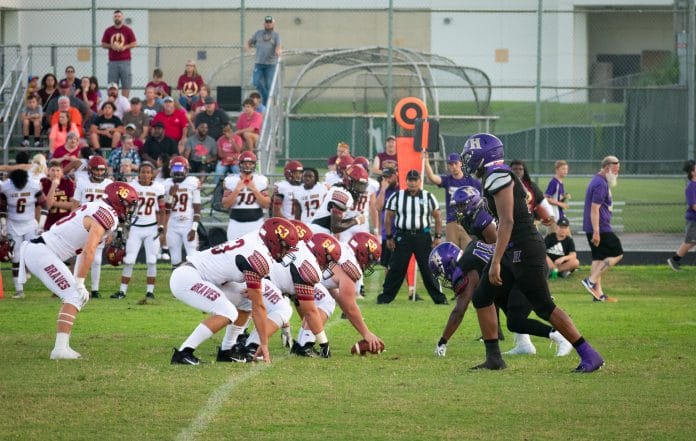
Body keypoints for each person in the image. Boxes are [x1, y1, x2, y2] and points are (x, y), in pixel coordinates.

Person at [461, 132, 604, 372]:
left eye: (472, 154)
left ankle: (589, 354)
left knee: (544, 306)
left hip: (525, 248)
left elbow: (508, 221)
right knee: (482, 296)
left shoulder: (497, 175)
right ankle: (494, 358)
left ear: (484, 155)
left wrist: (495, 261)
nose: (468, 159)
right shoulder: (495, 175)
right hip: (511, 248)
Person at [19, 181, 138, 359]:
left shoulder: (98, 207)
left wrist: (78, 279)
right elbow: (88, 250)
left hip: (42, 250)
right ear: (118, 201)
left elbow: (84, 253)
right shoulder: (107, 214)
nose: (129, 210)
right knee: (74, 294)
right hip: (42, 252)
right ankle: (59, 350)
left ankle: (63, 347)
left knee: (76, 294)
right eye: (128, 205)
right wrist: (80, 283)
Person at [169, 217, 299, 365]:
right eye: (285, 246)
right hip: (188, 276)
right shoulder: (259, 256)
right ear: (273, 241)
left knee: (246, 303)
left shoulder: (258, 239)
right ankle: (183, 353)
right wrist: (264, 344)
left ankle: (227, 350)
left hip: (207, 277)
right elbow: (259, 307)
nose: (286, 251)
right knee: (228, 312)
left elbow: (253, 301)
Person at [290, 230, 385, 356]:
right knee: (326, 302)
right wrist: (366, 333)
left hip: (296, 268)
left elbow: (331, 286)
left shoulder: (343, 249)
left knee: (325, 299)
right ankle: (305, 345)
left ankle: (301, 344)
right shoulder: (351, 265)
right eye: (370, 259)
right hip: (300, 273)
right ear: (362, 253)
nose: (369, 264)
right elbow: (349, 307)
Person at [377, 169, 448, 305]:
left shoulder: (428, 196)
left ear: (420, 181)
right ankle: (385, 297)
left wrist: (438, 236)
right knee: (397, 267)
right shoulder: (397, 196)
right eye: (410, 180)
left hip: (423, 235)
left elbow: (438, 216)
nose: (412, 183)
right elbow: (388, 217)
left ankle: (439, 298)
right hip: (403, 236)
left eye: (415, 180)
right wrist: (390, 237)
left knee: (428, 268)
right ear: (406, 181)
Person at [111, 162, 165, 301]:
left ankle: (150, 292)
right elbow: (123, 207)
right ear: (138, 173)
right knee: (129, 260)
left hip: (152, 227)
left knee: (152, 261)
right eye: (143, 172)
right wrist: (122, 227)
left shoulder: (158, 187)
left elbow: (162, 210)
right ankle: (122, 291)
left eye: (148, 172)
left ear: (152, 174)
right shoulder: (132, 186)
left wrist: (162, 226)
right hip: (135, 228)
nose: (145, 174)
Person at [0, 167, 47, 299]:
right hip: (13, 224)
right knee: (15, 257)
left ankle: (27, 269)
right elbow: (2, 208)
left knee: (35, 253)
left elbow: (45, 206)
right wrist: (3, 225)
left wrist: (41, 225)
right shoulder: (6, 187)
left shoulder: (33, 185)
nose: (20, 187)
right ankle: (19, 290)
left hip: (30, 224)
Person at [71, 156, 114, 299]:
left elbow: (113, 208)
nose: (99, 172)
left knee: (97, 260)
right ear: (90, 169)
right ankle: (75, 287)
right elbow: (75, 205)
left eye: (102, 169)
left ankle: (95, 289)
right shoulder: (82, 182)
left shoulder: (109, 184)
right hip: (83, 224)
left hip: (102, 225)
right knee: (80, 256)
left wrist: (111, 231)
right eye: (96, 169)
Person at [581, 156, 622, 303]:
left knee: (598, 259)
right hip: (601, 228)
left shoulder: (600, 181)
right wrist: (597, 231)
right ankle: (590, 281)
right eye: (615, 171)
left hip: (596, 227)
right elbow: (594, 208)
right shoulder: (600, 184)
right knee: (617, 253)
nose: (617, 174)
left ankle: (598, 294)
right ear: (607, 168)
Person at [424, 152, 480, 249]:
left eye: (455, 163)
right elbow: (432, 178)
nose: (453, 166)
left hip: (467, 222)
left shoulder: (472, 181)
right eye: (450, 164)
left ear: (460, 163)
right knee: (453, 253)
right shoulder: (448, 180)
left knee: (467, 253)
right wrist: (425, 161)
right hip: (452, 222)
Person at [221, 151, 270, 240]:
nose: (247, 166)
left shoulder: (261, 180)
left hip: (256, 223)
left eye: (250, 163)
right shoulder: (230, 180)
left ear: (254, 165)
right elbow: (226, 205)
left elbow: (266, 204)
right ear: (239, 164)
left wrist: (254, 190)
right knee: (233, 251)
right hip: (236, 223)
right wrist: (237, 190)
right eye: (245, 163)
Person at [163, 156, 201, 268]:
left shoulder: (192, 182)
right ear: (170, 170)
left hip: (188, 224)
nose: (178, 172)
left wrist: (194, 228)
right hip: (172, 225)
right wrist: (171, 196)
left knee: (193, 259)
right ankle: (177, 284)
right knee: (175, 260)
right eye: (175, 169)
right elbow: (166, 210)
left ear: (187, 170)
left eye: (180, 169)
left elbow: (197, 207)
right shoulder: (166, 184)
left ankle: (194, 283)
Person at [310, 165, 368, 236]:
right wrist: (356, 221)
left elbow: (334, 222)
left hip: (321, 230)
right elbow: (336, 227)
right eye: (358, 185)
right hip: (319, 231)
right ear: (348, 181)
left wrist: (354, 219)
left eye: (362, 186)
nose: (360, 189)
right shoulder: (343, 194)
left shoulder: (340, 188)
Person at [668, 160, 696, 270]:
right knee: (689, 242)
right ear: (692, 172)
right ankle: (674, 260)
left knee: (692, 242)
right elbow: (693, 205)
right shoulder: (691, 187)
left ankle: (675, 260)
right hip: (693, 220)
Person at [510, 159, 555, 229]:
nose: (517, 171)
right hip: (511, 224)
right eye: (514, 169)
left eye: (520, 169)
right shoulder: (505, 187)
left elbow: (542, 201)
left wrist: (550, 215)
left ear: (524, 171)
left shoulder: (531, 186)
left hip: (529, 223)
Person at [101, 9, 136, 98]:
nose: (117, 18)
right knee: (112, 85)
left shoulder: (128, 30)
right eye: (115, 16)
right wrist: (111, 46)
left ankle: (124, 103)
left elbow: (134, 43)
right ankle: (113, 104)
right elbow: (103, 44)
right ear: (113, 18)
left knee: (126, 84)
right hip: (113, 62)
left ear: (122, 18)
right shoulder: (108, 30)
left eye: (119, 16)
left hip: (125, 61)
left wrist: (125, 47)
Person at [247, 15, 281, 105]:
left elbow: (278, 46)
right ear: (264, 24)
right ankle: (267, 98)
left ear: (273, 24)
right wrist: (247, 45)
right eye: (267, 23)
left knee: (269, 85)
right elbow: (250, 41)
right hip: (259, 63)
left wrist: (278, 50)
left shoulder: (276, 35)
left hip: (270, 64)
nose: (268, 24)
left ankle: (267, 105)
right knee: (255, 82)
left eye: (270, 23)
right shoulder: (258, 33)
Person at [41, 160, 76, 231]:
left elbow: (73, 205)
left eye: (58, 170)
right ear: (48, 171)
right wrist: (53, 186)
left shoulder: (68, 183)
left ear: (62, 172)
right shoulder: (43, 183)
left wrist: (54, 203)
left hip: (65, 223)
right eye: (53, 170)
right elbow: (47, 206)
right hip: (49, 223)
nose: (55, 173)